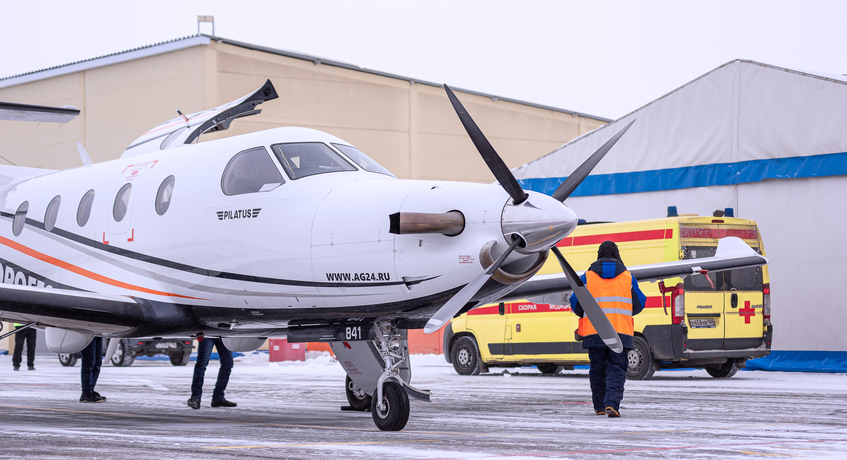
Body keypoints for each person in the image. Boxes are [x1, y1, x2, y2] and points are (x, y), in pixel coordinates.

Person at [570, 240, 645, 418]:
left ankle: (599, 407)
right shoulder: (628, 278)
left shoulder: (587, 277)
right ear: (617, 255)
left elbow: (575, 303)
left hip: (594, 332)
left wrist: (589, 313)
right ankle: (612, 404)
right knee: (617, 368)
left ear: (598, 255)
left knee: (597, 369)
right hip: (620, 332)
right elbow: (639, 303)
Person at [187, 337, 236, 409]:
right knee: (202, 364)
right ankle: (196, 397)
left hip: (223, 335)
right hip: (209, 334)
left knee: (227, 364)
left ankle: (218, 397)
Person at [79, 337, 106, 403]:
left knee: (97, 362)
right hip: (88, 334)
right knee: (89, 362)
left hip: (98, 333)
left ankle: (90, 390)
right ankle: (86, 392)